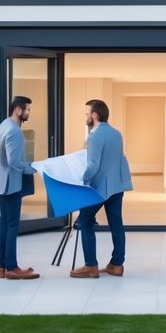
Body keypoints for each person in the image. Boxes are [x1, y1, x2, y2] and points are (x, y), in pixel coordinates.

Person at [71, 99, 134, 278]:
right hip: (116, 187)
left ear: (95, 115)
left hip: (98, 189)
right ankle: (117, 264)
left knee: (85, 221)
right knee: (116, 224)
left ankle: (90, 266)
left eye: (87, 114)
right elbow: (119, 159)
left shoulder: (94, 136)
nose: (85, 117)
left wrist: (80, 179)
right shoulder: (116, 134)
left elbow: (92, 166)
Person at [0, 95, 39, 280]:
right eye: (27, 110)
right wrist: (32, 169)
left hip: (2, 184)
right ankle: (11, 267)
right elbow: (14, 161)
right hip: (11, 184)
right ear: (18, 109)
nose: (28, 114)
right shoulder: (14, 131)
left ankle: (1, 266)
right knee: (12, 226)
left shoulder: (1, 126)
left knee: (4, 225)